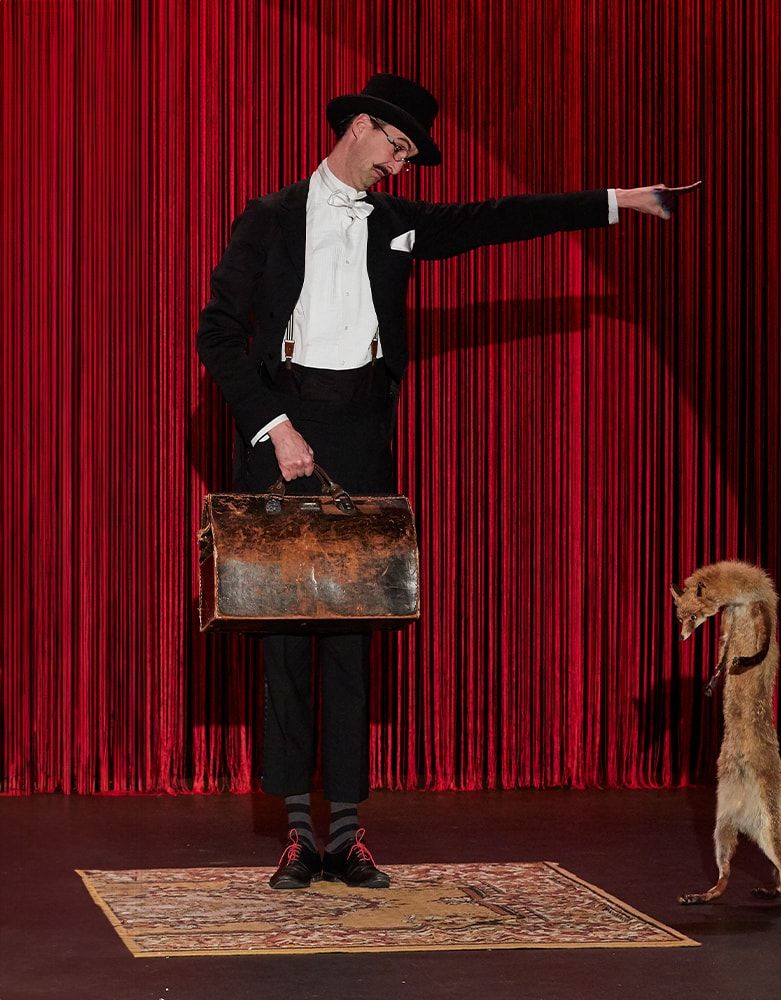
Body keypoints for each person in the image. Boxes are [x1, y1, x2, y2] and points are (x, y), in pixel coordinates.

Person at [197, 73, 691, 891]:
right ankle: (296, 836)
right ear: (360, 126)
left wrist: (618, 201)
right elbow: (217, 332)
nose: (398, 166)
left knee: (351, 641)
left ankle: (346, 835)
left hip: (359, 438)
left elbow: (499, 219)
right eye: (396, 148)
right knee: (283, 640)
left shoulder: (398, 224)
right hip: (280, 430)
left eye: (407, 156)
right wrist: (273, 427)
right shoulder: (270, 216)